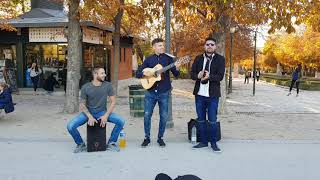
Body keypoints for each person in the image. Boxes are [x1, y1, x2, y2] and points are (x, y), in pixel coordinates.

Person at [67, 67, 125, 153]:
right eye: (102, 73)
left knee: (121, 121)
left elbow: (113, 102)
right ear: (95, 74)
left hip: (102, 112)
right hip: (88, 113)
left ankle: (111, 142)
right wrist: (89, 116)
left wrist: (106, 116)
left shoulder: (108, 85)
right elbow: (82, 104)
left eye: (104, 73)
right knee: (70, 126)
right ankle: (80, 144)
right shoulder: (85, 87)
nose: (104, 75)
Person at [135, 38, 181, 147]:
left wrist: (177, 67)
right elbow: (137, 74)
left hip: (164, 92)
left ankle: (160, 138)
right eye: (159, 45)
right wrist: (149, 74)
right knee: (147, 115)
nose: (162, 47)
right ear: (154, 47)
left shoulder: (169, 59)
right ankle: (147, 138)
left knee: (164, 116)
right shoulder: (149, 60)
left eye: (162, 45)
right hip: (150, 92)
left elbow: (176, 75)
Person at [190, 37, 225, 152]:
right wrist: (198, 76)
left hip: (212, 95)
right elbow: (192, 74)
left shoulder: (220, 59)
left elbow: (220, 76)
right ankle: (204, 142)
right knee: (200, 119)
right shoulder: (198, 58)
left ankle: (214, 143)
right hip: (199, 94)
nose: (209, 46)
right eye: (207, 44)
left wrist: (210, 76)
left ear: (215, 46)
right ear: (204, 46)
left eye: (212, 44)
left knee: (212, 120)